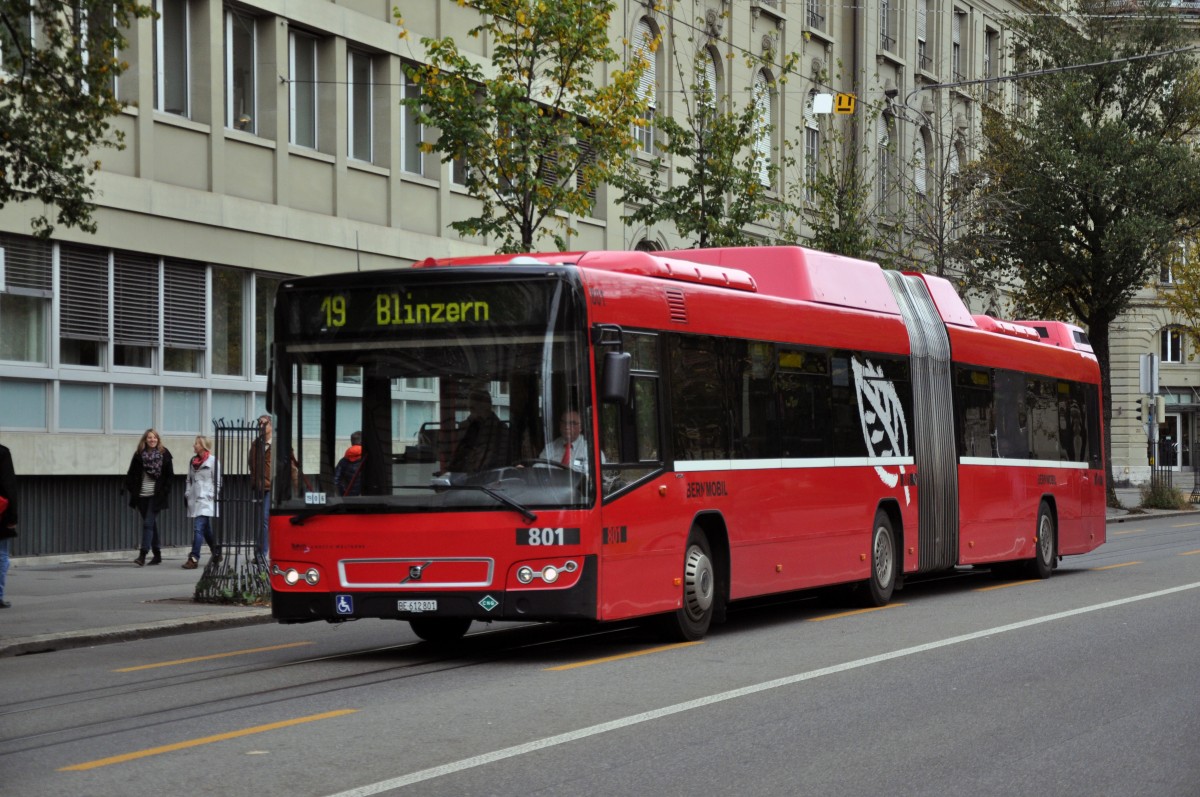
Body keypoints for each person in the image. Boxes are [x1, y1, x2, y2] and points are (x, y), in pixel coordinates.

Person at [124, 429, 174, 566]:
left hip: (156, 496)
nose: (152, 440)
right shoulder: (139, 455)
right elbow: (130, 474)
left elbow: (170, 476)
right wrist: (132, 489)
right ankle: (157, 555)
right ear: (145, 440)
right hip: (141, 496)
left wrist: (164, 491)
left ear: (158, 439)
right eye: (149, 438)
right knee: (151, 524)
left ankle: (142, 554)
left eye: (155, 438)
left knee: (147, 523)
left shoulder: (164, 454)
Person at [445, 391, 508, 473]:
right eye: (470, 408)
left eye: (473, 408)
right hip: (464, 477)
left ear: (487, 407)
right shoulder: (465, 426)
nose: (471, 412)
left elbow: (501, 460)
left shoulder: (500, 428)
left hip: (490, 478)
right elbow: (456, 455)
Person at [183, 435, 222, 569]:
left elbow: (217, 481)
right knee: (206, 530)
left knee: (198, 528)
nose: (194, 446)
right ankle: (217, 552)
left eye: (196, 444)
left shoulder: (213, 461)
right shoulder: (193, 461)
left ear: (203, 446)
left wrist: (211, 495)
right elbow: (189, 479)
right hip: (195, 498)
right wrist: (187, 493)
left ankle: (194, 558)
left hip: (206, 500)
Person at [248, 414, 273, 561]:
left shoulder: (278, 444)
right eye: (259, 424)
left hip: (271, 487)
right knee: (259, 520)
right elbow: (251, 462)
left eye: (264, 424)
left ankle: (262, 553)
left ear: (271, 426)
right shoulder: (256, 444)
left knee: (264, 519)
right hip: (258, 486)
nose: (261, 427)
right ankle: (259, 551)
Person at [0, 443, 17, 608]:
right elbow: (8, 485)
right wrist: (12, 517)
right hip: (1, 515)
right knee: (1, 555)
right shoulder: (2, 453)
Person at [335, 431, 364, 496]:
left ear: (352, 442)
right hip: (365, 498)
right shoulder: (368, 458)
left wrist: (344, 493)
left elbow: (335, 481)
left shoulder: (343, 461)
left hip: (348, 498)